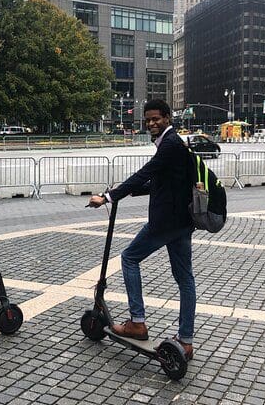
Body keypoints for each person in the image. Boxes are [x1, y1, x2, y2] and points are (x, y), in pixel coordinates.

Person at [88, 99, 196, 359]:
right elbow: (162, 182)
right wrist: (129, 191)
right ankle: (186, 341)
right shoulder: (175, 144)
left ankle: (137, 322)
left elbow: (145, 173)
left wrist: (109, 196)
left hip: (165, 222)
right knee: (185, 279)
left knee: (129, 258)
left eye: (156, 118)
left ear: (168, 118)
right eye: (148, 120)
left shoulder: (169, 144)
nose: (151, 123)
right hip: (182, 222)